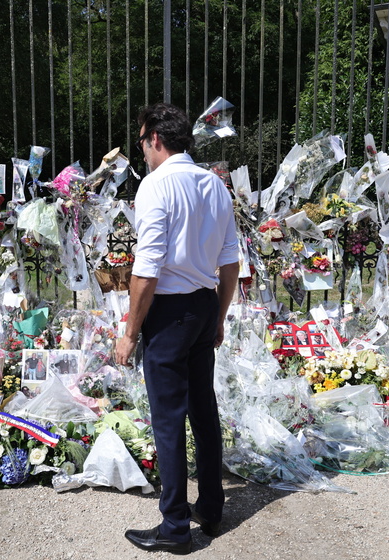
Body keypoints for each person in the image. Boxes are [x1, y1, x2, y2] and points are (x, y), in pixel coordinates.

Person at [115, 102, 239, 555]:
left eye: (142, 141)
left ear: (155, 140)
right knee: (203, 409)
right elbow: (230, 262)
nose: (142, 150)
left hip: (169, 312)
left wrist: (130, 333)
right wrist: (220, 315)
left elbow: (146, 271)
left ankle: (174, 525)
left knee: (168, 419)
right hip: (205, 304)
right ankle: (210, 506)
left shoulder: (155, 186)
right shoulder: (214, 184)